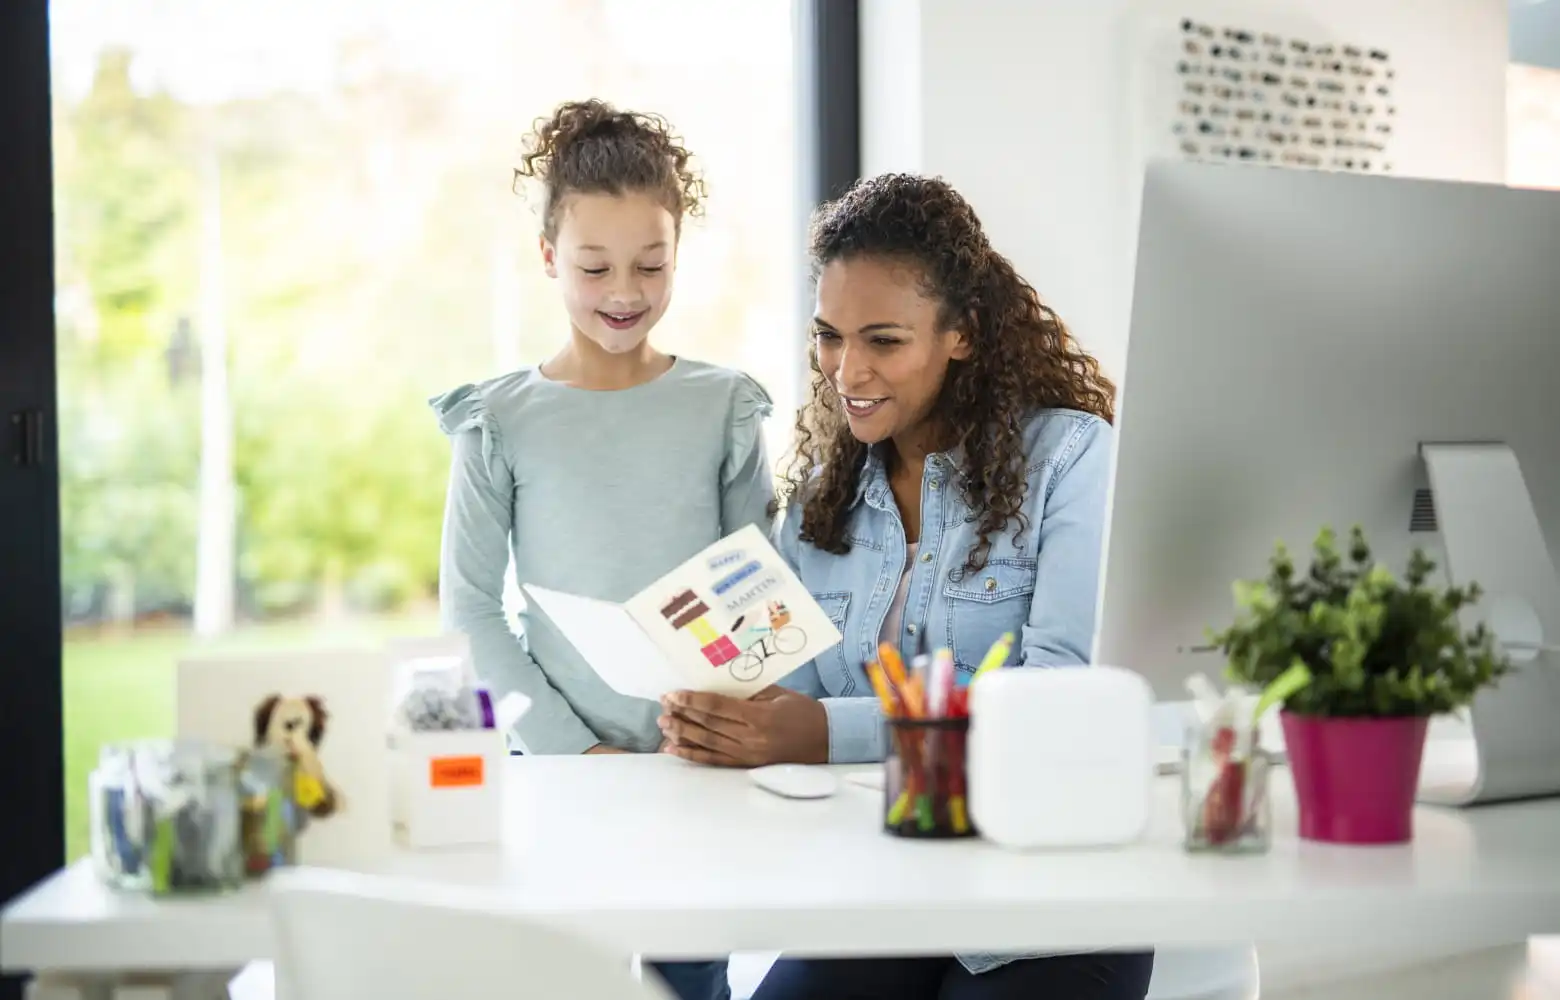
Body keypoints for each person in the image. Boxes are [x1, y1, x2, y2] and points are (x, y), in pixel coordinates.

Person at [657, 174, 1153, 1000]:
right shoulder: (824, 500)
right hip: (880, 898)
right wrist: (728, 723)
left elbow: (1058, 693)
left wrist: (820, 730)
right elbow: (793, 702)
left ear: (961, 333)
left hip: (1044, 910)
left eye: (882, 340)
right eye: (828, 335)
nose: (846, 370)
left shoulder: (1071, 458)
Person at [430, 98, 772, 1000]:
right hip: (556, 778)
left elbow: (756, 588)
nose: (625, 292)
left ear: (676, 258)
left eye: (650, 265)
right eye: (594, 266)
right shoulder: (497, 420)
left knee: (693, 980)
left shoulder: (723, 406)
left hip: (692, 770)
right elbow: (469, 607)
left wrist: (715, 727)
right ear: (550, 258)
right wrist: (575, 755)